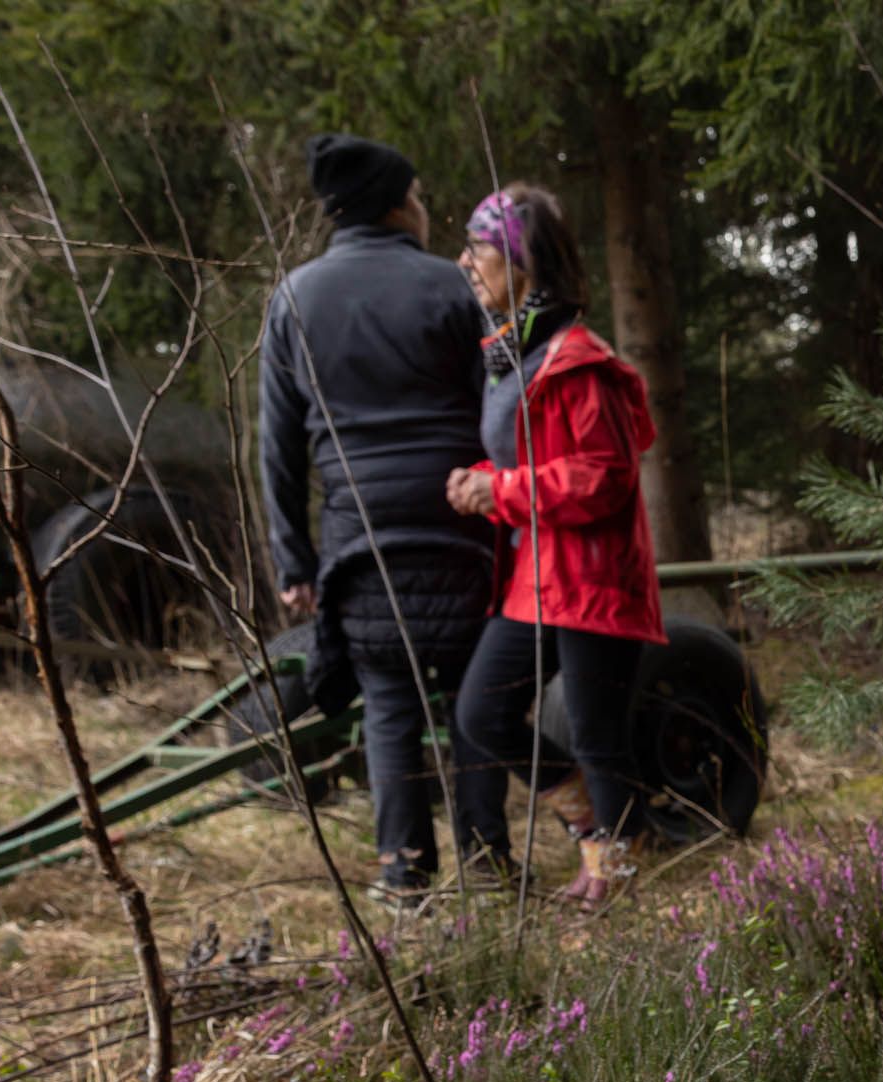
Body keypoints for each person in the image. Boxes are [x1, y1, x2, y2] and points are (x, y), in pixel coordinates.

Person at [259, 133, 504, 906]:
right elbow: (500, 415)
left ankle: (404, 872)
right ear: (398, 205)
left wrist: (294, 562)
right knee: (474, 697)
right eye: (421, 195)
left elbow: (279, 444)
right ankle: (490, 865)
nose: (428, 210)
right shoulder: (453, 288)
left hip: (358, 542)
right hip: (462, 527)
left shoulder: (293, 297)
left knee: (390, 702)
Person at [446, 185, 667, 909]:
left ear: (523, 260)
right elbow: (533, 456)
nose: (465, 262)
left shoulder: (576, 359)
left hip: (594, 580)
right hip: (536, 581)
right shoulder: (513, 354)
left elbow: (603, 476)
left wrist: (502, 491)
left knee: (600, 738)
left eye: (479, 248)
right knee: (482, 713)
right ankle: (597, 835)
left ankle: (619, 881)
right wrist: (483, 481)